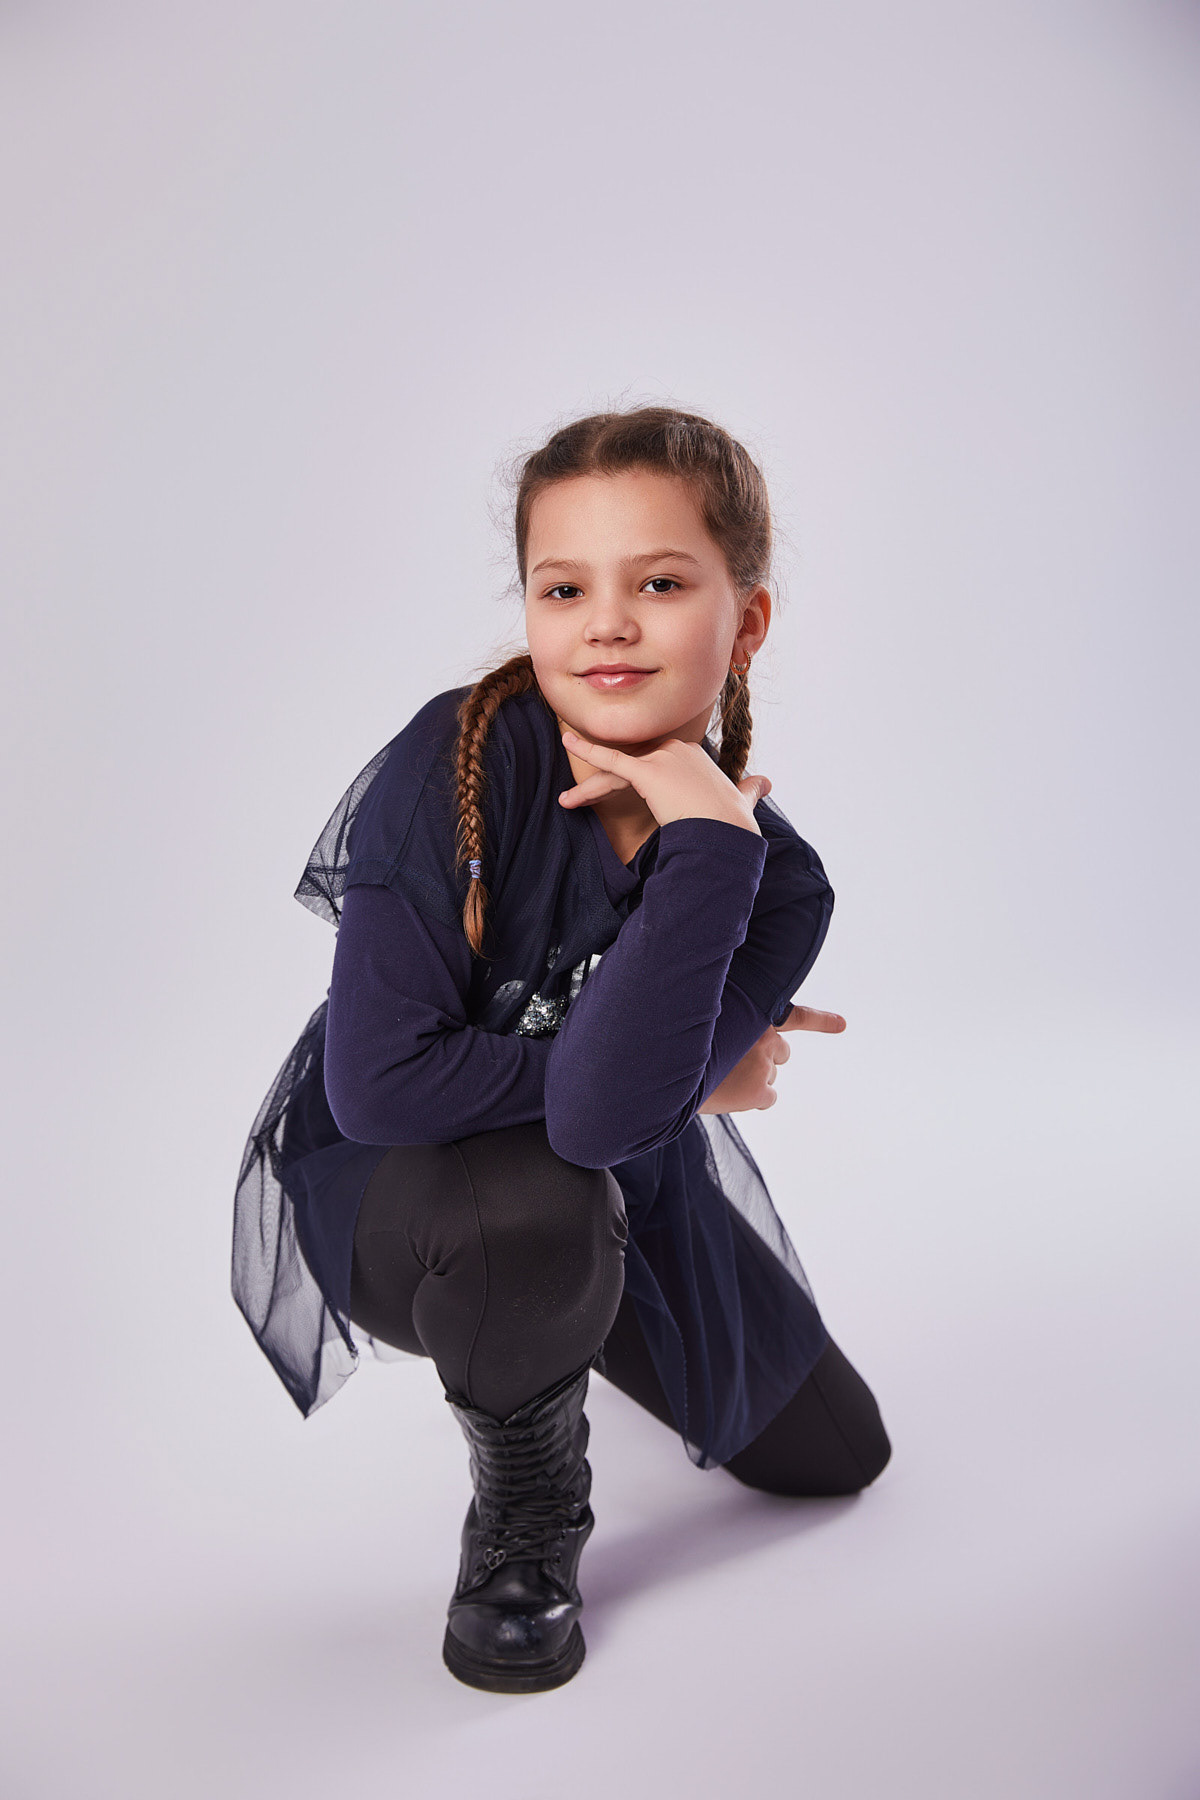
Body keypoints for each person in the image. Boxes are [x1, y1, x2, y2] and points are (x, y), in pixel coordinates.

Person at [231, 404, 892, 1696]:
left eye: (661, 584)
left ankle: (554, 1310)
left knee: (836, 1455)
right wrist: (692, 1075)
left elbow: (607, 1124)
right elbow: (384, 1080)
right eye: (565, 588)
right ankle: (529, 1510)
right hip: (400, 1186)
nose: (607, 625)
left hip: (613, 1174)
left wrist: (711, 846)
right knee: (534, 1205)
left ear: (747, 620)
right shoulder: (460, 759)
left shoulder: (773, 881)